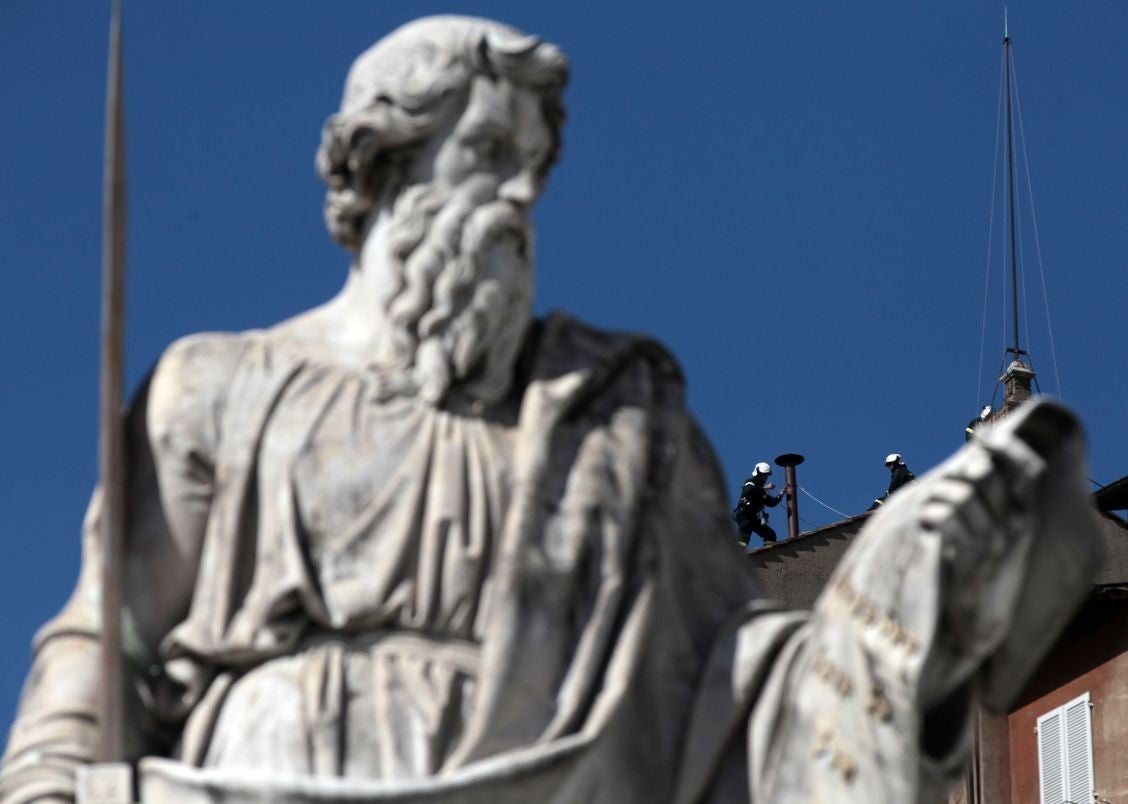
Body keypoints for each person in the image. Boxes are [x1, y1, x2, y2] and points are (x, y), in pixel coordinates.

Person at [0, 16, 1105, 804]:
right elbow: (100, 648)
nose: (521, 195)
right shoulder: (218, 393)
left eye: (534, 165)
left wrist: (903, 602)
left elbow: (725, 686)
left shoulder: (622, 418)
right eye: (487, 155)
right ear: (379, 168)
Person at [733, 462, 786, 547]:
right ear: (758, 474)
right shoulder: (751, 482)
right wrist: (765, 488)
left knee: (770, 534)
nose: (765, 478)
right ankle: (736, 557)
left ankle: (768, 554)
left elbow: (771, 503)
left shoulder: (762, 492)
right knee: (743, 539)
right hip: (743, 515)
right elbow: (748, 490)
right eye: (763, 475)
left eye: (766, 475)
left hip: (752, 518)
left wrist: (780, 495)